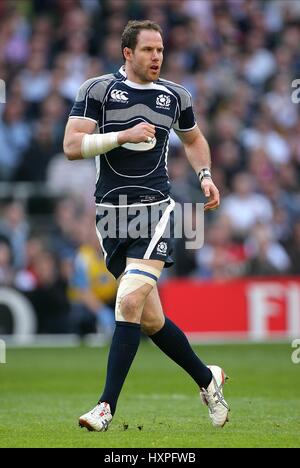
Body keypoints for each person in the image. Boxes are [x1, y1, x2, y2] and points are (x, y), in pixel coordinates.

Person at [63, 20, 229, 432]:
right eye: (148, 50)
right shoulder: (97, 90)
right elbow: (71, 147)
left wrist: (205, 174)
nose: (157, 57)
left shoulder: (175, 95)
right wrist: (122, 135)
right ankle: (208, 379)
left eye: (160, 50)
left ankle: (105, 406)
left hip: (155, 211)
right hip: (110, 216)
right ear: (127, 53)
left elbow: (193, 140)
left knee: (128, 302)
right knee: (151, 319)